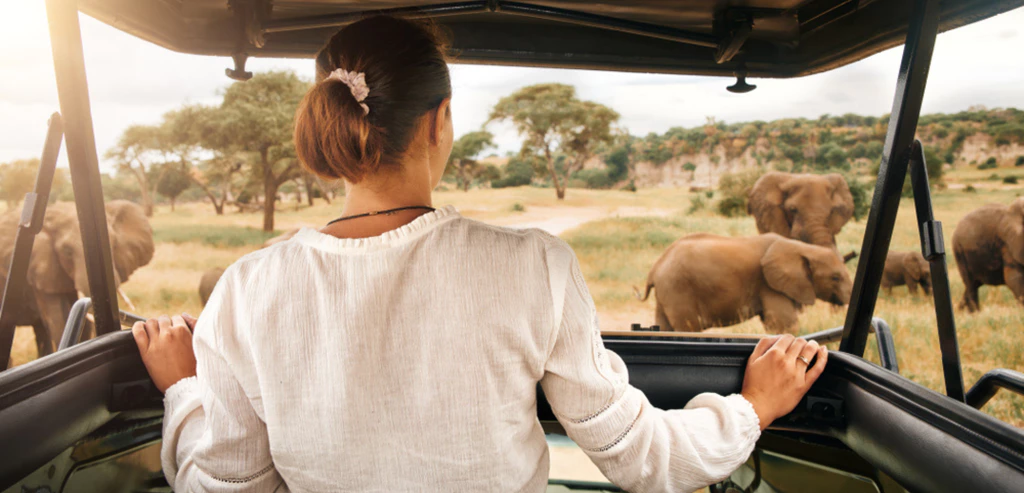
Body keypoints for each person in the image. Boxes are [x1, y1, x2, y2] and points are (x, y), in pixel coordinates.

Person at [133, 15, 828, 493]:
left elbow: (226, 483)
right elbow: (641, 456)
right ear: (441, 122)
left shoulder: (246, 289)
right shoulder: (533, 265)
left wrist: (184, 388)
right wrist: (752, 407)